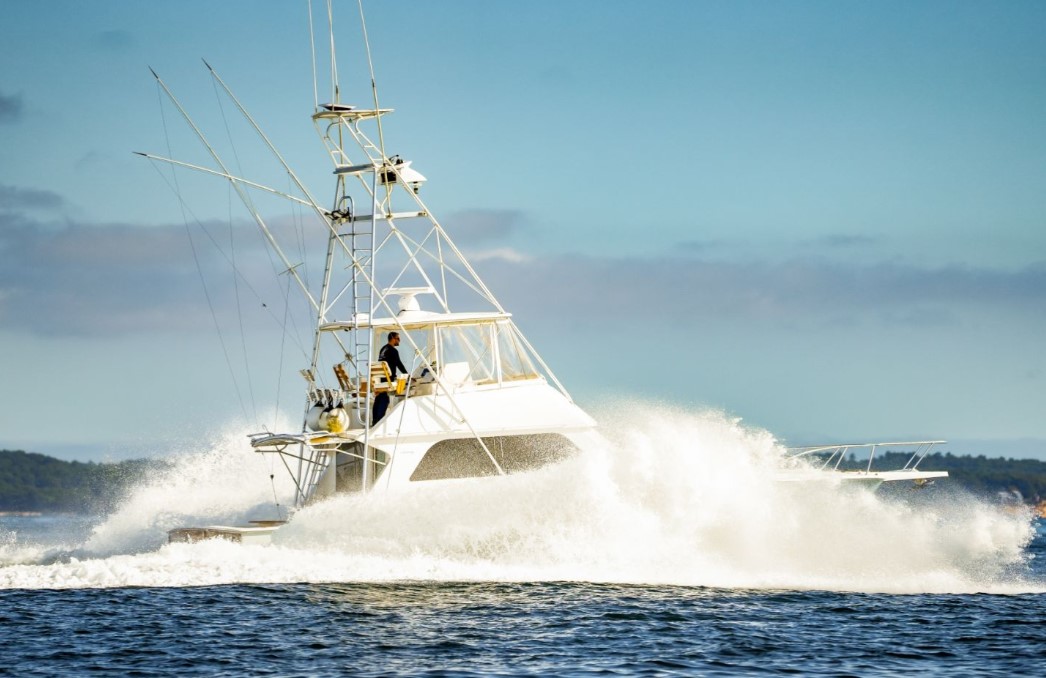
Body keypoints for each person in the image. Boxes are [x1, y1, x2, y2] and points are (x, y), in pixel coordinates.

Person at [372, 331, 408, 424]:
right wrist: (407, 375)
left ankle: (374, 421)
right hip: (388, 380)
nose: (399, 341)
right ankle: (378, 422)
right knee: (385, 399)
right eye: (398, 339)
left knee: (379, 398)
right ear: (392, 338)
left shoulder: (383, 349)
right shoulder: (393, 350)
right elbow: (399, 364)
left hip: (380, 379)